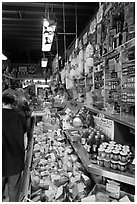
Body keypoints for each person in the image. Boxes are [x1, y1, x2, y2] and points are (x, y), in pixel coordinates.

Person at [2, 91, 28, 201]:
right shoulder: (19, 117)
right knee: (13, 191)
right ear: (14, 103)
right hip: (15, 161)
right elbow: (25, 137)